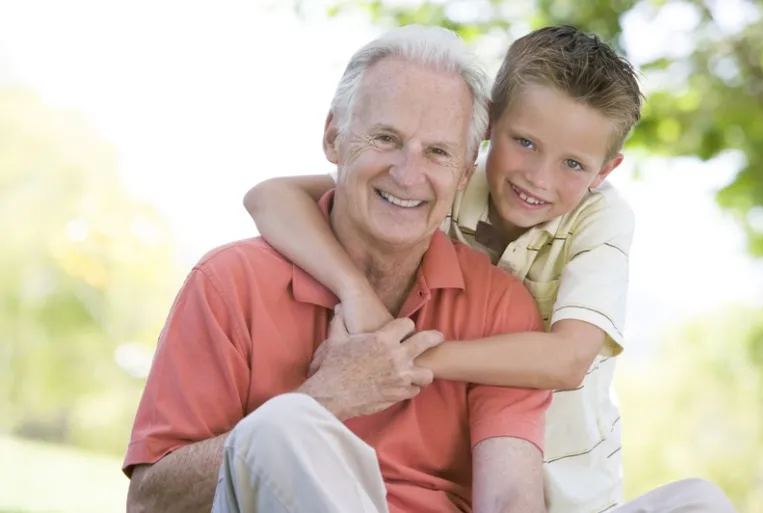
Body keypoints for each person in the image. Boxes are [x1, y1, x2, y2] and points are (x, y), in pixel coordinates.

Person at [243, 25, 737, 512]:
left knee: (701, 501)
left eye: (573, 165)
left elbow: (566, 360)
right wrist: (356, 294)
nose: (538, 178)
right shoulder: (441, 183)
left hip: (567, 492)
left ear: (604, 171)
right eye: (524, 142)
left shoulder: (601, 218)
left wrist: (401, 358)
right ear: (486, 127)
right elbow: (270, 196)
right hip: (465, 477)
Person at [123, 25, 553, 513]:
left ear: (464, 171)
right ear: (334, 138)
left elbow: (511, 501)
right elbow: (150, 503)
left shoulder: (499, 307)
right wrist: (326, 399)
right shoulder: (230, 282)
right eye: (386, 138)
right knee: (283, 426)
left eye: (437, 151)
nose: (408, 174)